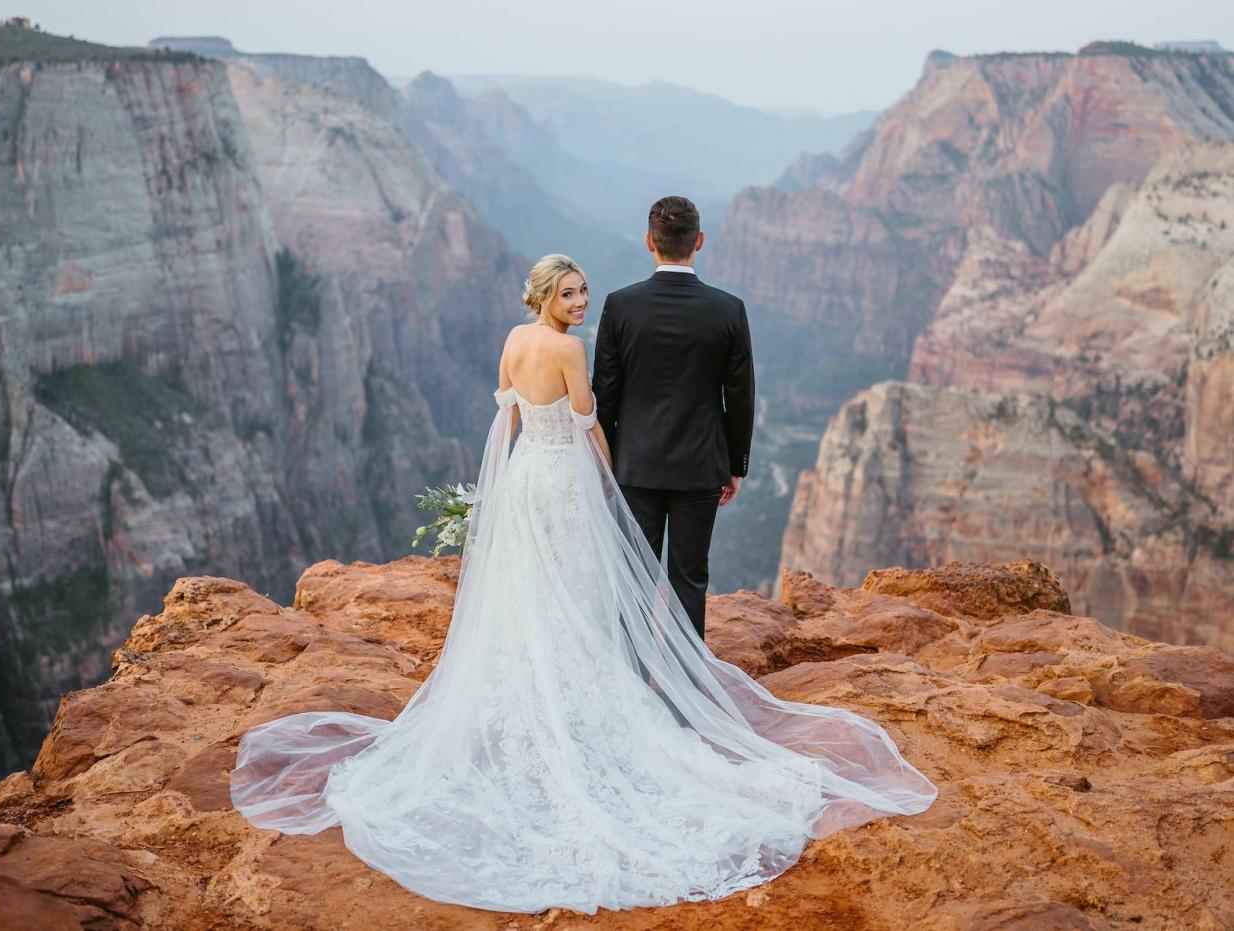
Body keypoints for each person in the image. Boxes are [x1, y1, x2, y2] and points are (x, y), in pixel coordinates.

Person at [229, 252, 936, 915]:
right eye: (569, 292)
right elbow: (588, 420)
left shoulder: (512, 340)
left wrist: (501, 491)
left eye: (583, 291)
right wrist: (610, 471)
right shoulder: (568, 349)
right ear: (545, 296)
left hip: (526, 480)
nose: (581, 300)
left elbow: (505, 416)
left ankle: (526, 700)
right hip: (564, 478)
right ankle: (585, 702)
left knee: (531, 591)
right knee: (576, 590)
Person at [593, 195, 752, 639]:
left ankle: (632, 679)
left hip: (634, 466)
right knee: (689, 580)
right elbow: (739, 396)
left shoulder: (619, 305)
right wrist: (735, 465)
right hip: (702, 466)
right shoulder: (729, 309)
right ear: (699, 241)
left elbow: (605, 394)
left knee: (635, 579)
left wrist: (607, 459)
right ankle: (685, 692)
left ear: (650, 242)